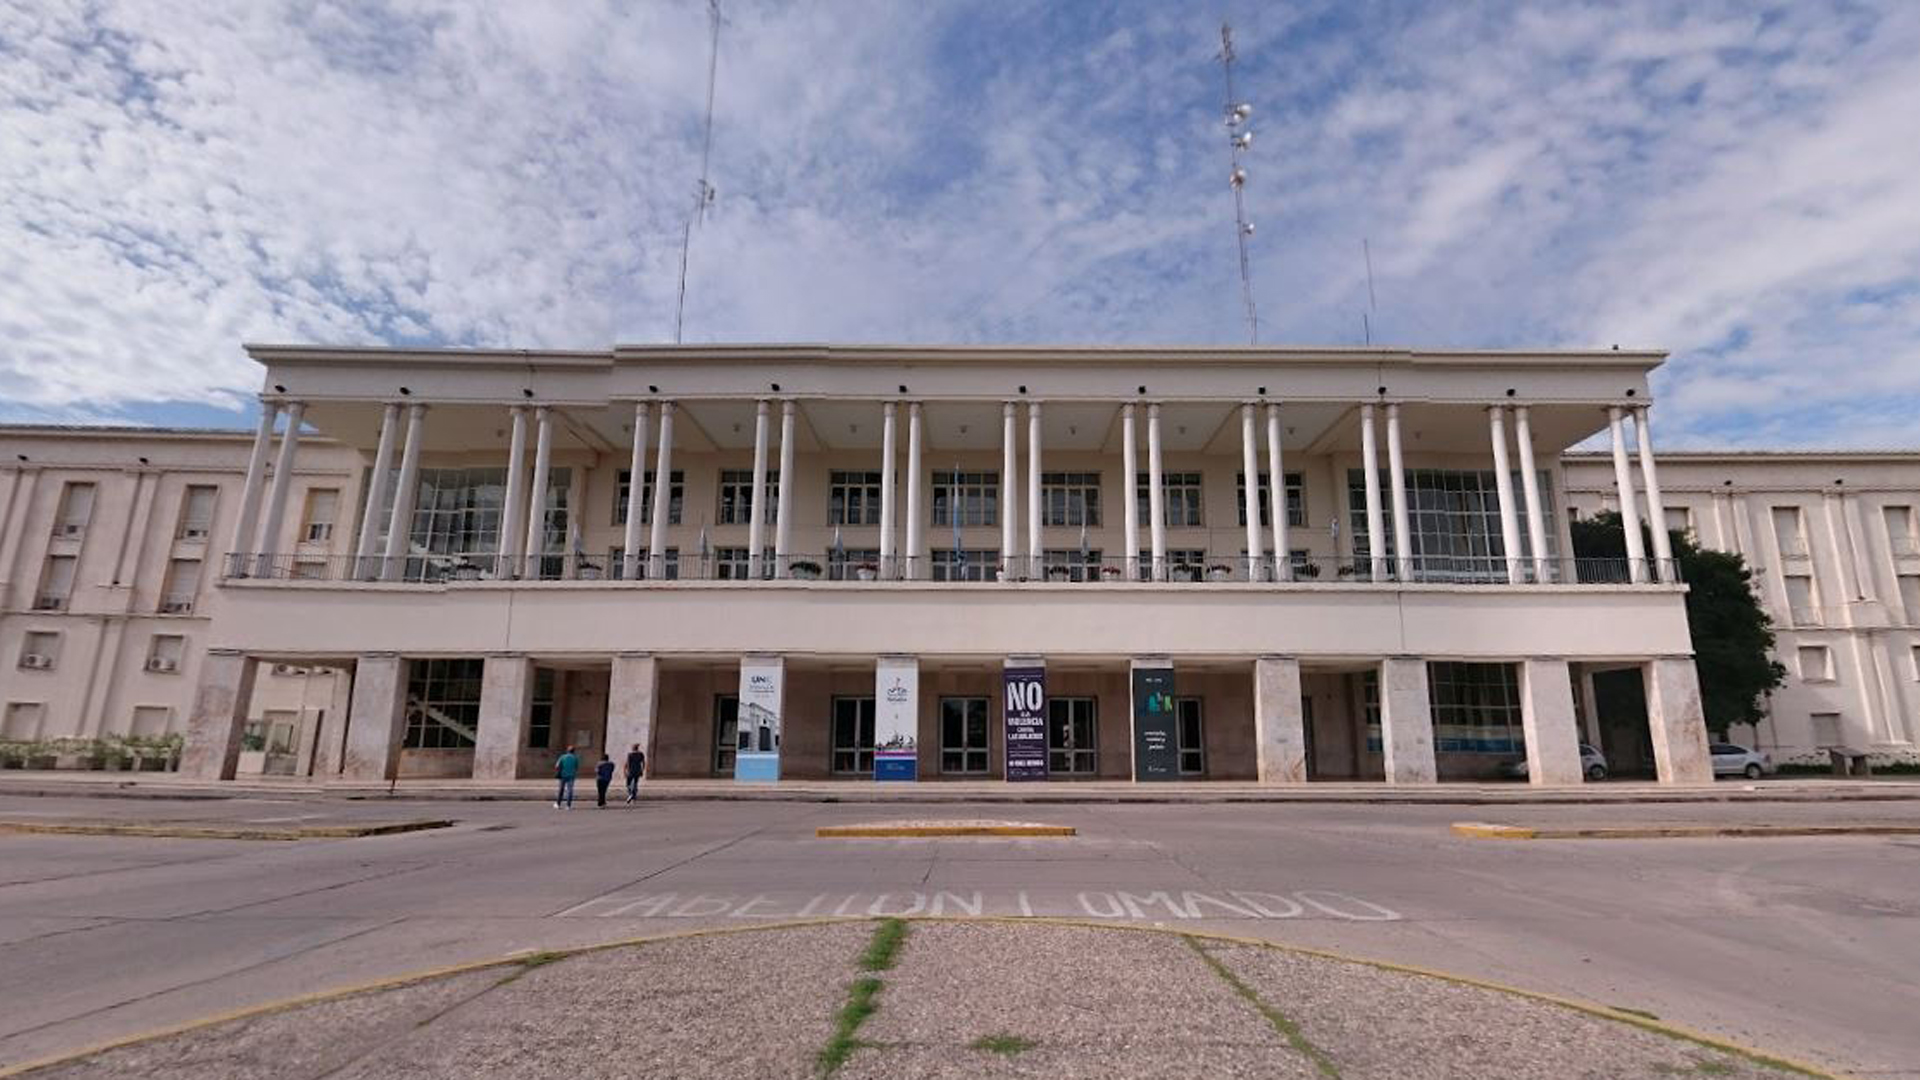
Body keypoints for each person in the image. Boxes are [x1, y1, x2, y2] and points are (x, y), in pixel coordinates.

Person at [554, 745, 579, 809]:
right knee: (569, 790)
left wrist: (559, 770)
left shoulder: (562, 757)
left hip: (563, 775)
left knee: (561, 790)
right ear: (574, 751)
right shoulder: (575, 758)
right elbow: (576, 767)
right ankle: (568, 805)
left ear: (567, 751)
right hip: (571, 775)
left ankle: (558, 804)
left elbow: (557, 766)